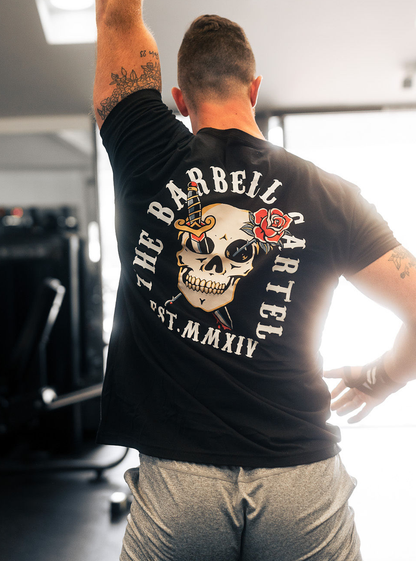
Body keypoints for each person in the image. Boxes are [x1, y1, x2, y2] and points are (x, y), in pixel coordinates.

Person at [93, 2, 416, 560]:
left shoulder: (146, 149)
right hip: (301, 483)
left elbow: (116, 17)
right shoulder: (331, 195)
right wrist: (381, 377)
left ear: (179, 100)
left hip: (180, 484)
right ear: (255, 89)